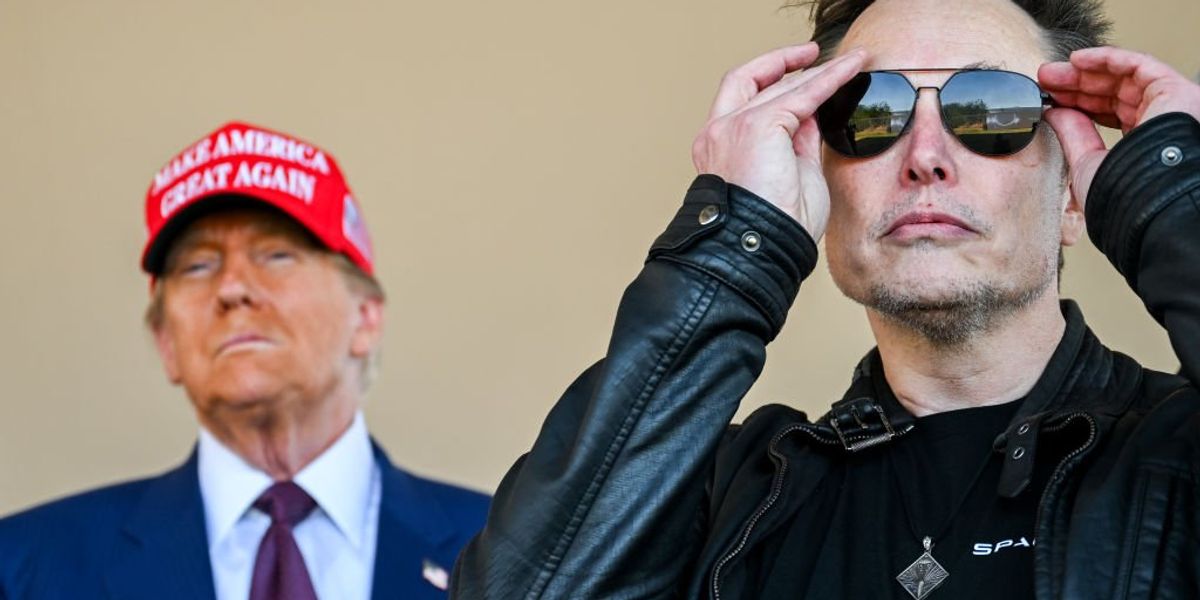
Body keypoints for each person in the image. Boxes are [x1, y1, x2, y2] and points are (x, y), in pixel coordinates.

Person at [451, 0, 1200, 597]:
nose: (925, 157)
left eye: (993, 109)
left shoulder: (1178, 451)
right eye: (869, 112)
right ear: (818, 187)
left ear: (1072, 197)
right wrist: (737, 238)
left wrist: (1176, 196)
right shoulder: (727, 495)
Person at [0, 121, 489, 599]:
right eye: (198, 265)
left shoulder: (505, 553)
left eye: (276, 255)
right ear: (166, 342)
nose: (232, 288)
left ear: (364, 318)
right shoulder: (25, 567)